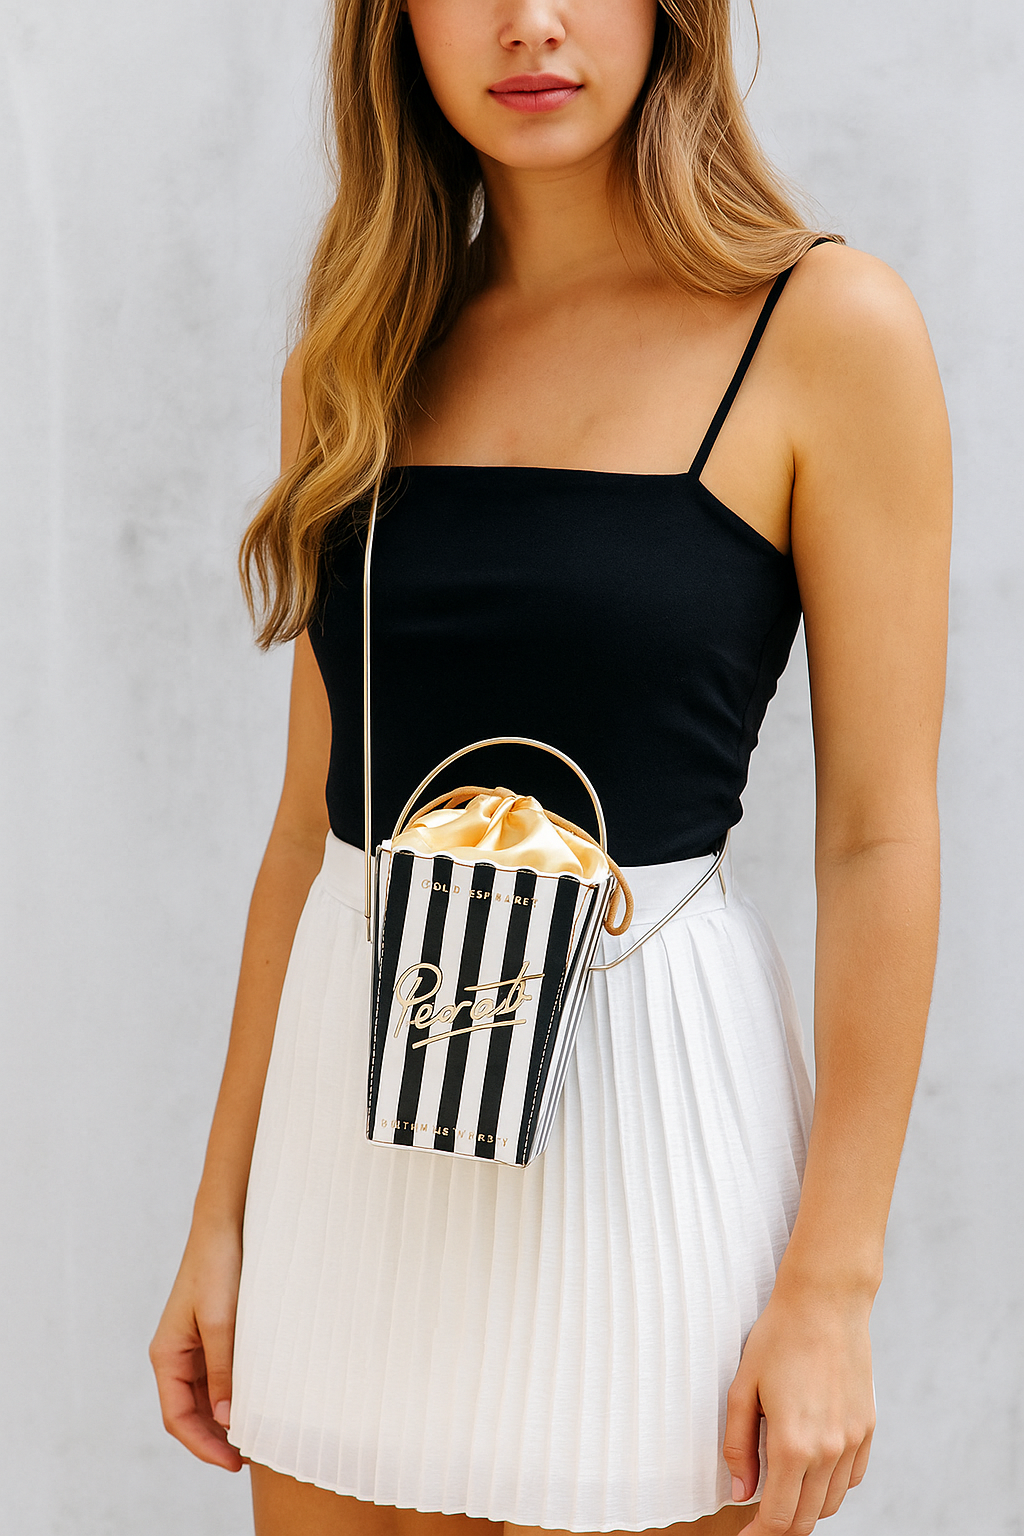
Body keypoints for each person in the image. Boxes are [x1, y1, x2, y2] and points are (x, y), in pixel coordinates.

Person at [149, 3, 951, 1534]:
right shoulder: (355, 355)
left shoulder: (826, 328)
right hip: (349, 1152)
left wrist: (833, 1286)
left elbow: (878, 838)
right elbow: (310, 829)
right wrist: (221, 1215)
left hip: (654, 1139)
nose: (529, 23)